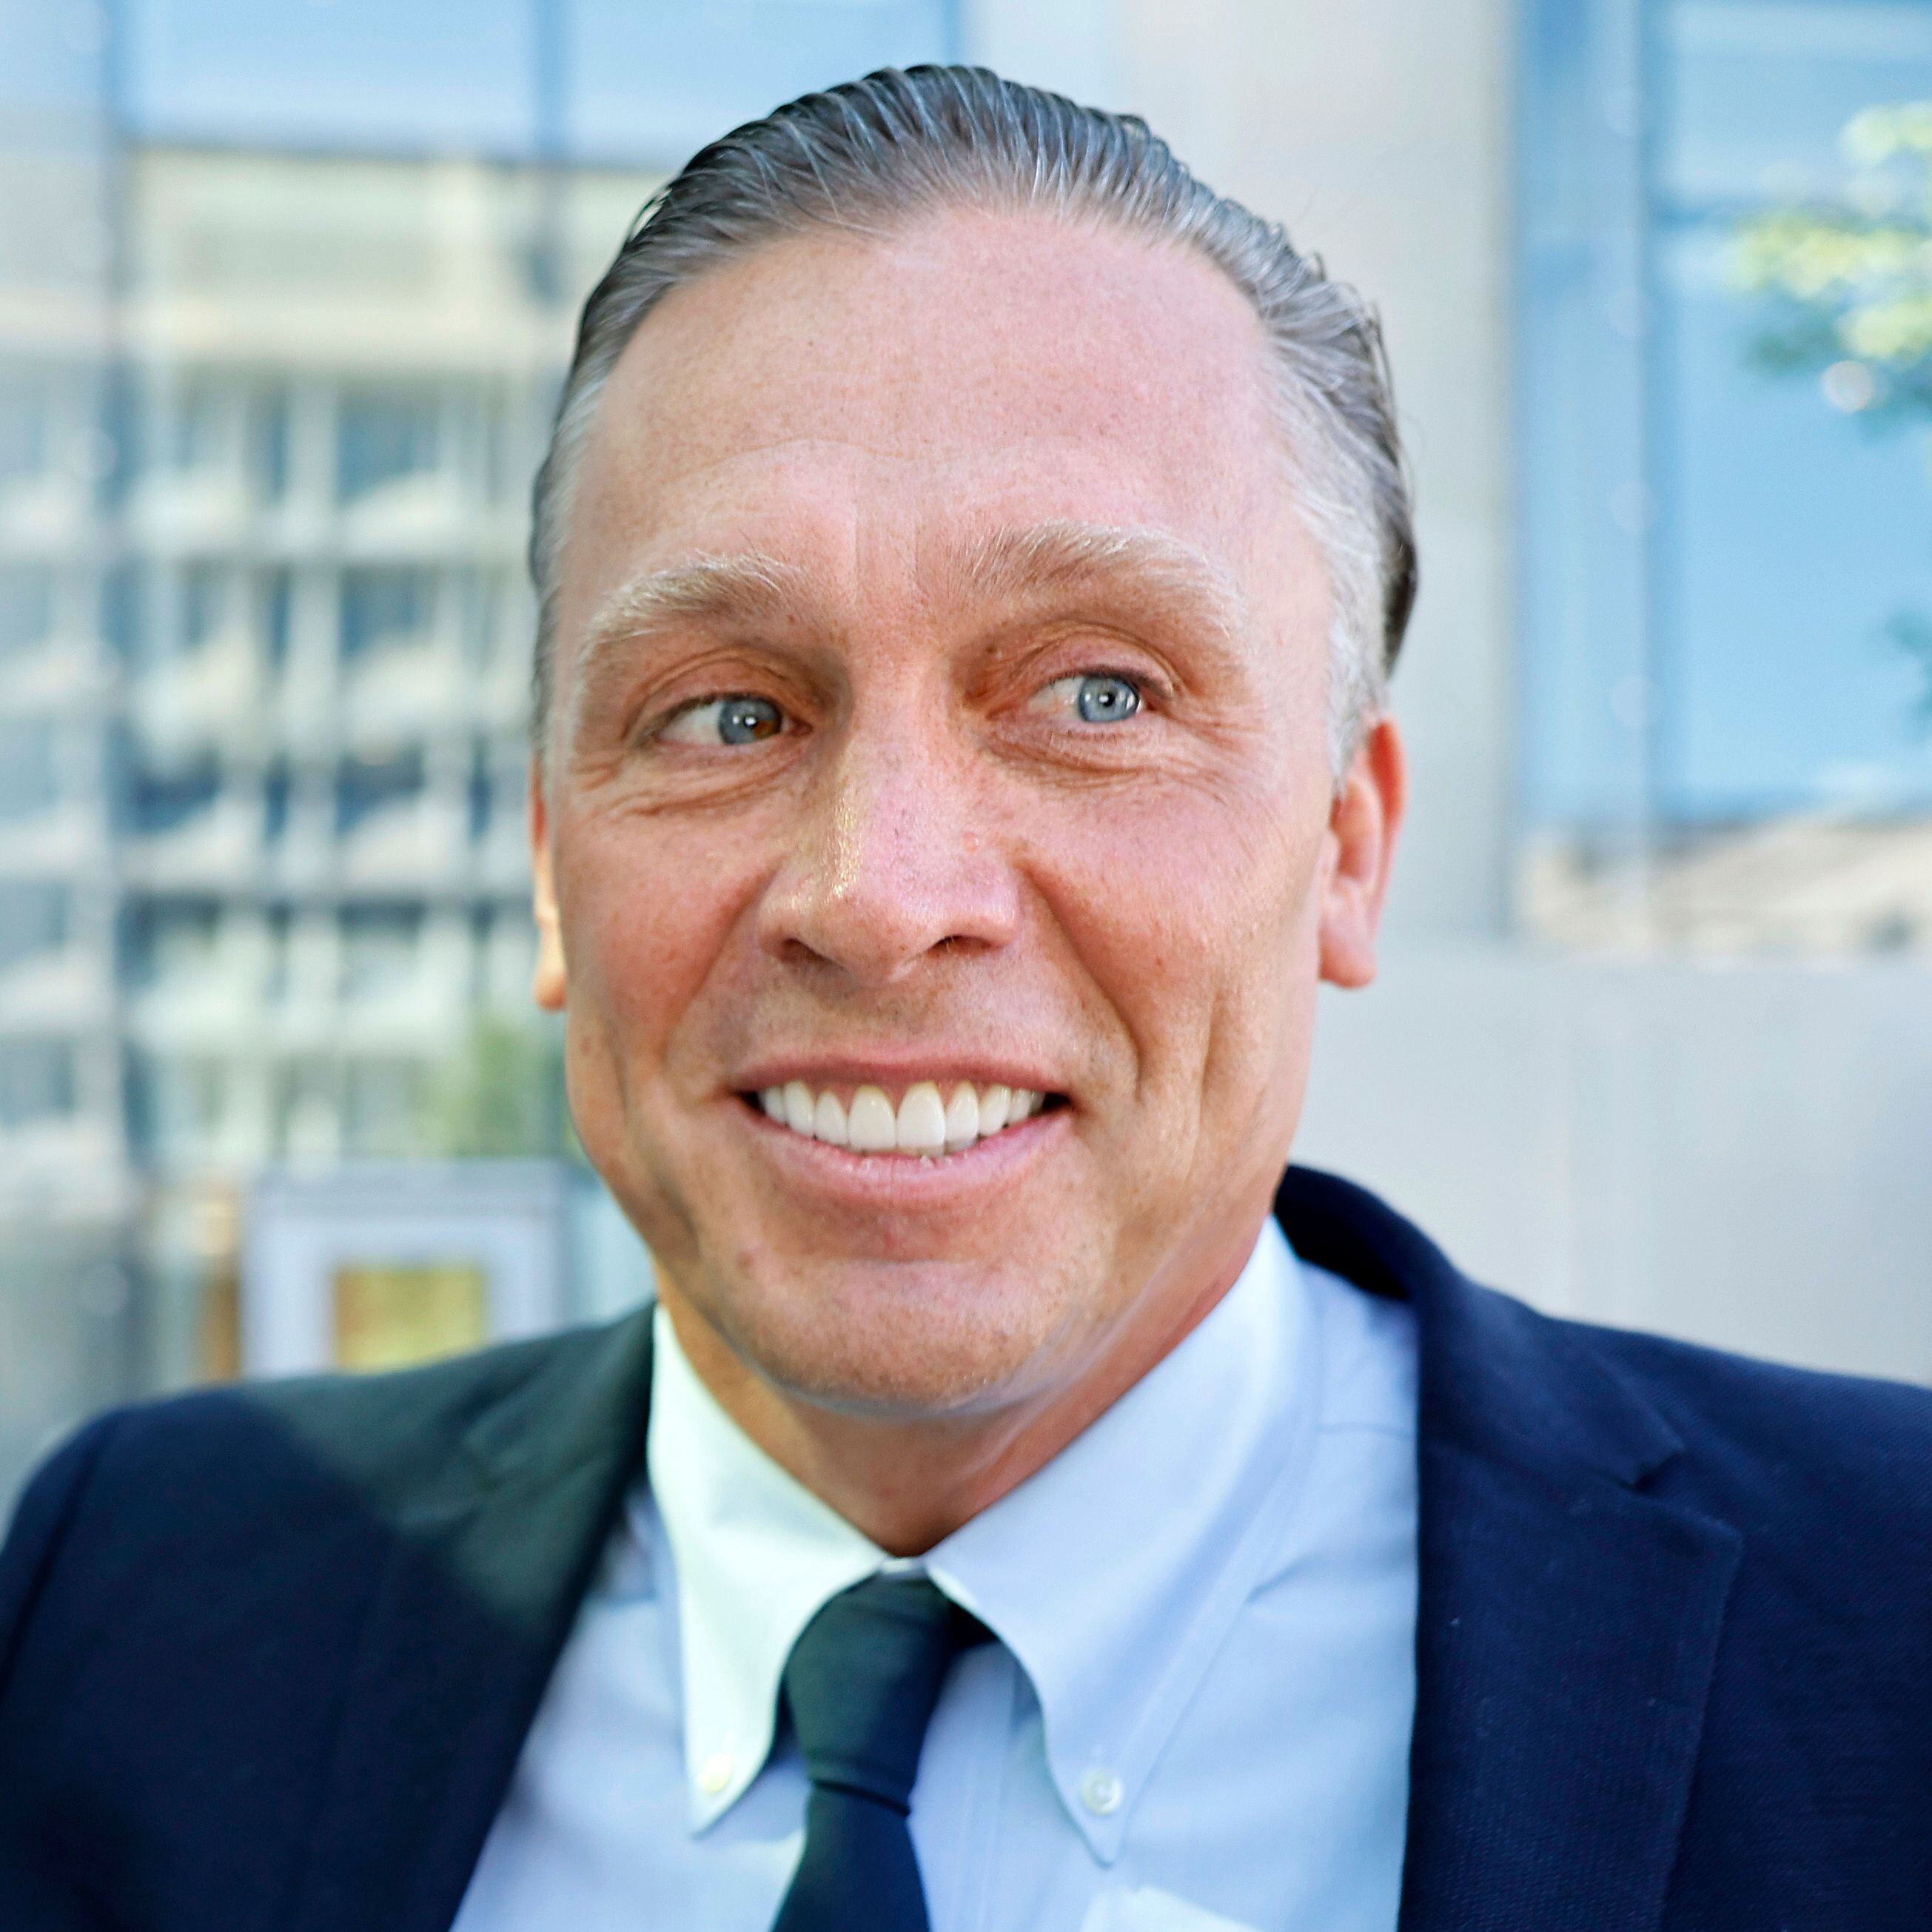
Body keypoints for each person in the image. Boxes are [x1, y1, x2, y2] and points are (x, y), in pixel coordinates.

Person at [1, 64, 1928, 1932]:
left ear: (1346, 843)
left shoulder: (1889, 1624)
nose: (879, 896)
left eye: (1097, 695)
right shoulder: (137, 1601)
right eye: (727, 712)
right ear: (551, 864)